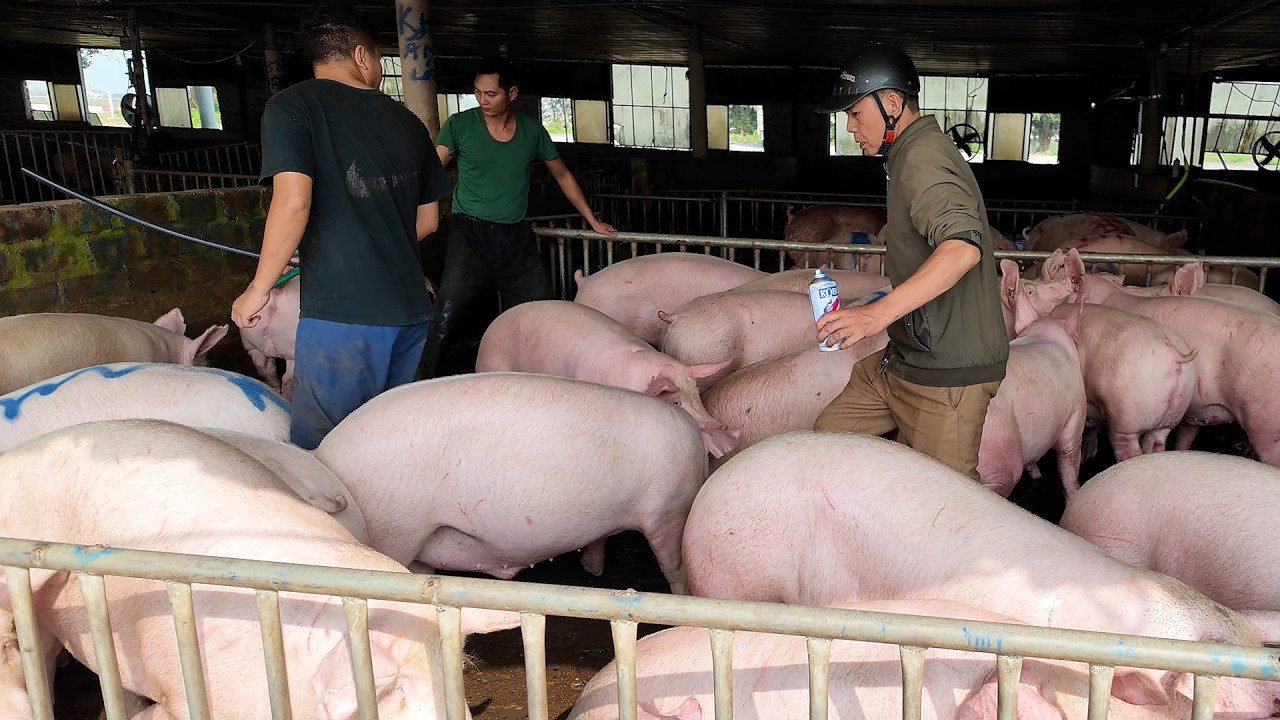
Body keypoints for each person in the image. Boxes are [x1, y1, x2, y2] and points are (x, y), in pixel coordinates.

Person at [231, 2, 449, 450]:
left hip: (343, 318)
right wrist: (377, 237)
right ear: (362, 56)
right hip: (410, 314)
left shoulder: (291, 108)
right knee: (390, 443)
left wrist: (258, 289)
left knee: (324, 450)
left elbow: (293, 203)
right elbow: (428, 220)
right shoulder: (408, 123)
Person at [811, 43, 1008, 482]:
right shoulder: (905, 156)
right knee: (829, 440)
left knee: (949, 503)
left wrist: (874, 316)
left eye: (855, 113)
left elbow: (962, 248)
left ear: (893, 103)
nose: (849, 126)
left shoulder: (922, 158)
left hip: (946, 375)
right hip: (905, 358)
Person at [417, 57, 617, 379]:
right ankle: (420, 383)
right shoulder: (460, 125)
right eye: (478, 93)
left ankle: (551, 381)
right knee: (446, 314)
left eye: (491, 94)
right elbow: (429, 172)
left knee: (544, 309)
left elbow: (563, 176)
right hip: (469, 235)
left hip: (515, 239)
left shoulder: (532, 131)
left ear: (511, 93)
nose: (483, 100)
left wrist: (591, 220)